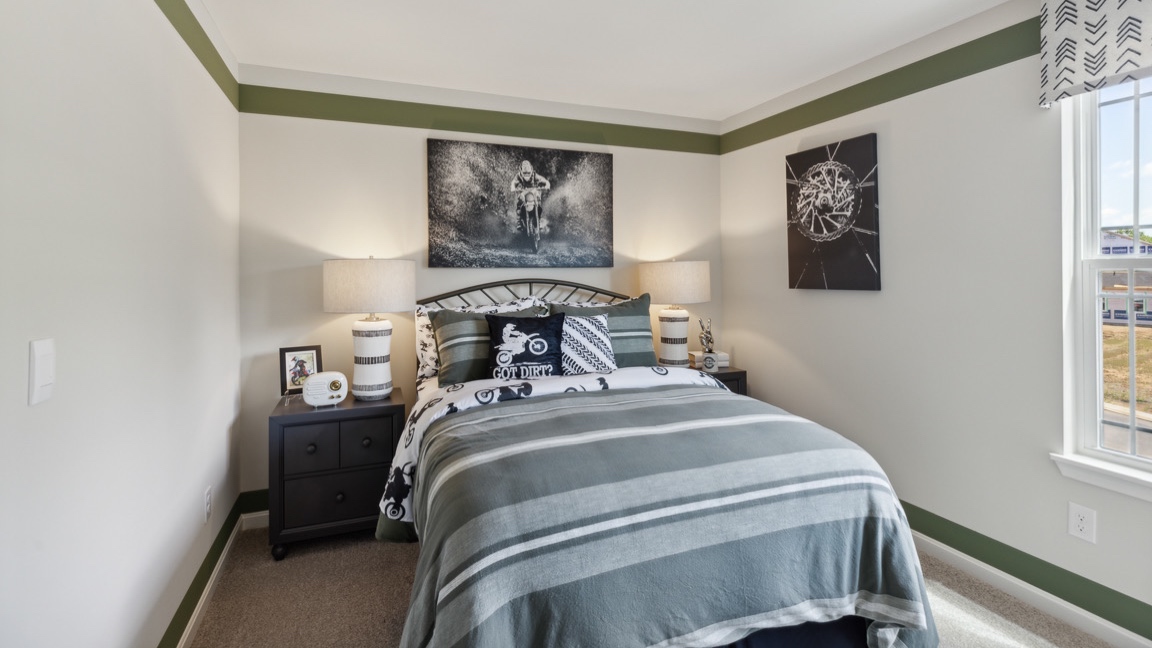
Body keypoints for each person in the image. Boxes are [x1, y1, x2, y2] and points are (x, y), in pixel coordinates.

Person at [510, 161, 550, 231]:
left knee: (538, 203)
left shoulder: (534, 175)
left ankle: (539, 220)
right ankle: (519, 221)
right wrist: (513, 187)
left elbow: (542, 179)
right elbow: (513, 182)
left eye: (528, 172)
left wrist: (546, 183)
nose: (527, 174)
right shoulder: (518, 176)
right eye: (525, 173)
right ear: (521, 170)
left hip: (533, 192)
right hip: (523, 192)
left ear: (531, 170)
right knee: (519, 203)